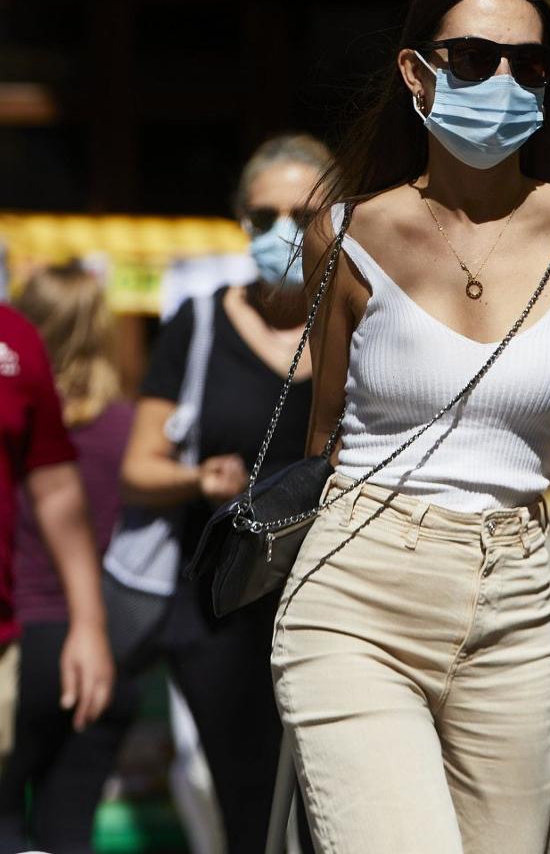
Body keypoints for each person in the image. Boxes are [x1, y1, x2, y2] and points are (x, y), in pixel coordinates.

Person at [273, 0, 550, 853]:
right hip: (357, 581)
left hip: (513, 593)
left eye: (530, 64)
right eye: (476, 59)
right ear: (417, 71)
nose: (505, 81)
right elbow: (325, 426)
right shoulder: (349, 230)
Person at [118, 133, 332, 852]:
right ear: (240, 221)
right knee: (245, 810)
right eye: (265, 216)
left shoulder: (361, 325)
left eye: (304, 216)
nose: (284, 234)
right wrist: (195, 477)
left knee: (337, 809)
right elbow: (137, 466)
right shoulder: (201, 322)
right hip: (220, 611)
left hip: (334, 602)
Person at [0, 264, 136, 852]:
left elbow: (56, 496)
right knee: (67, 827)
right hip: (99, 638)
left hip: (32, 636)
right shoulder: (134, 428)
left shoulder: (18, 369)